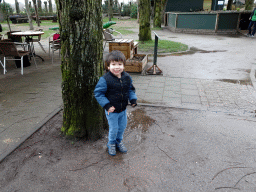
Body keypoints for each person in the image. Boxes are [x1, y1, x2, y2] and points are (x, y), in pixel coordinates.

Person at [94, 50, 137, 156]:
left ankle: (118, 141)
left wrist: (133, 99)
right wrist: (107, 105)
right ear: (108, 66)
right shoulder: (105, 79)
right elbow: (98, 93)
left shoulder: (127, 77)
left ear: (124, 66)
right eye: (113, 64)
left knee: (122, 127)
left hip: (123, 109)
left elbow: (130, 90)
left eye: (119, 64)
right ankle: (111, 143)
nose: (117, 67)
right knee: (114, 128)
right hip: (112, 111)